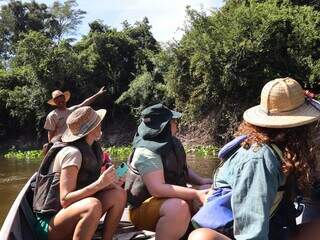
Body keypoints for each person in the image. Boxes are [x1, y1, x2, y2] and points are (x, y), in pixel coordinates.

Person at [188, 77, 320, 240]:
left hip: (274, 228)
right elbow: (251, 231)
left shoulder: (283, 149)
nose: (314, 128)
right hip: (239, 234)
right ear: (300, 128)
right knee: (202, 237)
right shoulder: (259, 159)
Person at [33, 106, 126, 240]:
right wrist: (100, 184)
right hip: (50, 224)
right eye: (98, 122)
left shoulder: (92, 148)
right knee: (92, 205)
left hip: (72, 213)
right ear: (91, 129)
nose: (101, 124)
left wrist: (110, 183)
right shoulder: (72, 154)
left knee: (119, 193)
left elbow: (86, 185)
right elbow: (65, 200)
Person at [125, 103, 212, 240]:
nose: (176, 123)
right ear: (164, 126)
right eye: (173, 121)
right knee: (178, 207)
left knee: (208, 190)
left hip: (169, 201)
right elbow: (157, 189)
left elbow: (182, 170)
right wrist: (195, 193)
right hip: (143, 208)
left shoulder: (171, 142)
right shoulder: (146, 152)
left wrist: (202, 182)